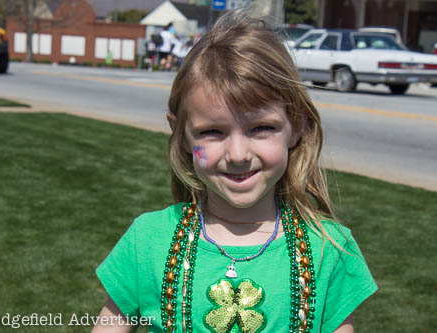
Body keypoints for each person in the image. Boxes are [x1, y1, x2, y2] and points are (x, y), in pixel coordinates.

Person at [93, 10, 377, 333]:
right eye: (212, 132)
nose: (238, 155)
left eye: (261, 128)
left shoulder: (330, 250)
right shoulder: (147, 243)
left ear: (296, 125)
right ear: (181, 134)